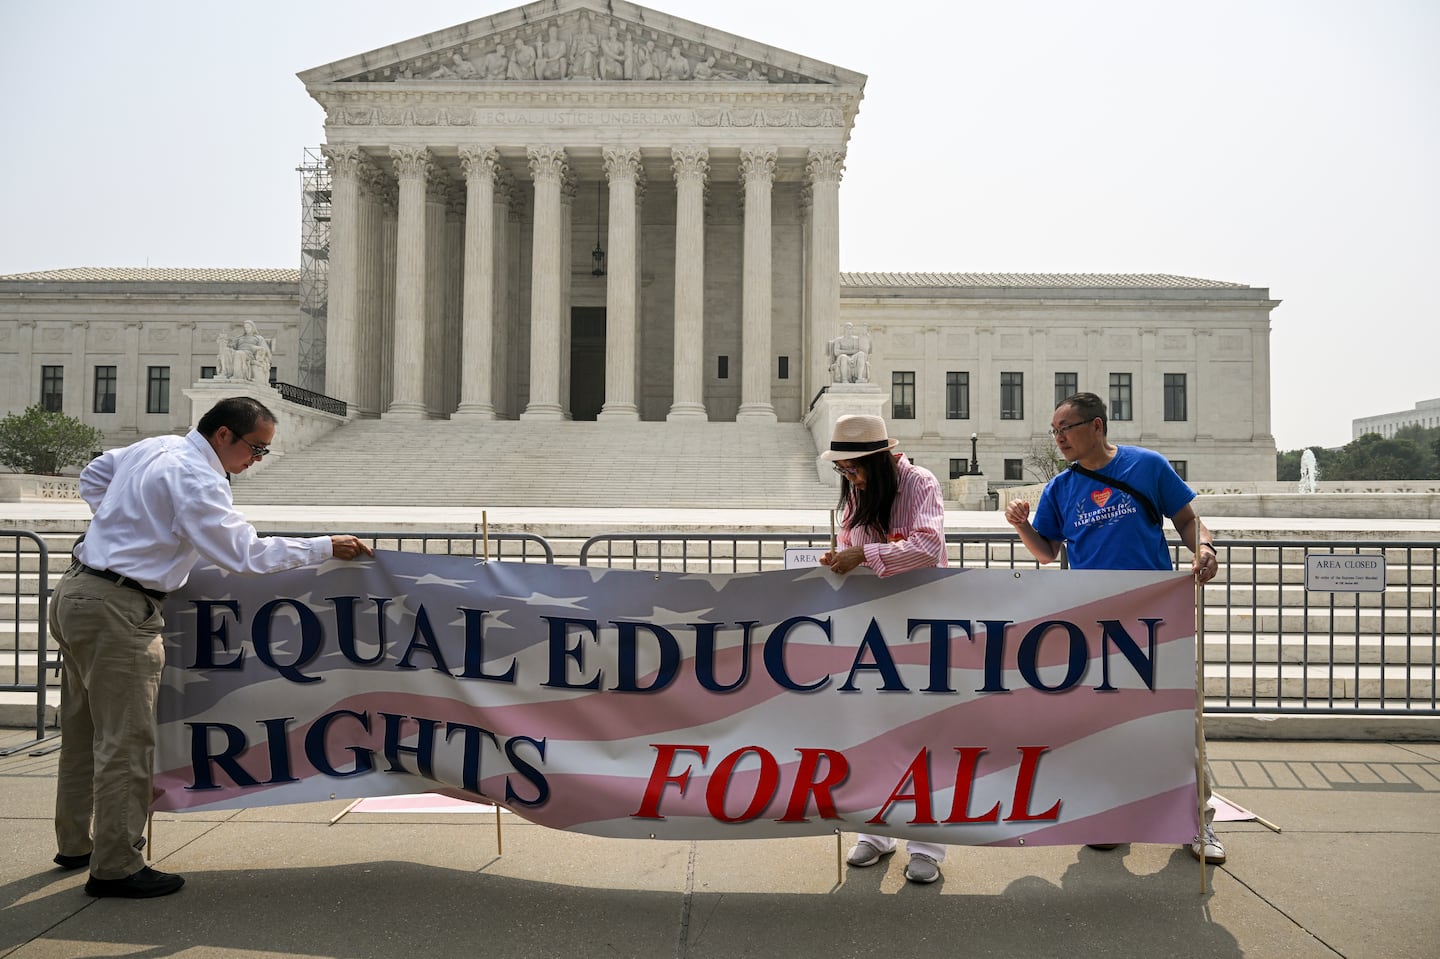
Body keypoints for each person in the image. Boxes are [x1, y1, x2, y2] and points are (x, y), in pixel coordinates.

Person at [49, 396, 375, 898]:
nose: (256, 461)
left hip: (77, 592)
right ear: (223, 435)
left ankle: (75, 842)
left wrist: (128, 524)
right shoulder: (197, 477)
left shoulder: (157, 446)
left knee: (82, 729)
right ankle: (114, 866)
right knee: (125, 740)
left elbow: (94, 474)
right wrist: (322, 546)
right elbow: (243, 553)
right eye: (256, 449)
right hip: (117, 610)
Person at [1003, 391, 1226, 866]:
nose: (1059, 437)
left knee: (1175, 721)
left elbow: (1188, 519)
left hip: (1155, 618)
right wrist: (1023, 526)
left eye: (1066, 427)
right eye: (1055, 430)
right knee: (1101, 722)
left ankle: (1198, 821)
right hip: (1093, 622)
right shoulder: (1061, 488)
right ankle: (1109, 816)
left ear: (1097, 426)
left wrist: (1204, 549)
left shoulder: (1146, 466)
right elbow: (1046, 552)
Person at [818, 414, 949, 884]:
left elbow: (928, 547)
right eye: (843, 470)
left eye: (853, 468)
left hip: (922, 625)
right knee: (868, 731)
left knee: (922, 735)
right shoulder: (859, 491)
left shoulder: (918, 482)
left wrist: (864, 556)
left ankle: (927, 846)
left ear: (879, 459)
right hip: (871, 628)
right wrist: (839, 558)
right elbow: (851, 545)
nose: (848, 477)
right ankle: (875, 831)